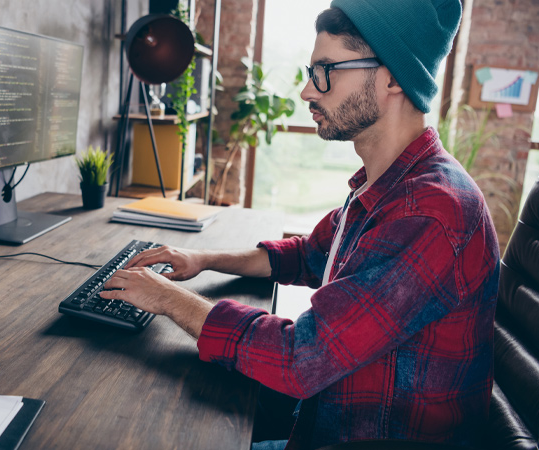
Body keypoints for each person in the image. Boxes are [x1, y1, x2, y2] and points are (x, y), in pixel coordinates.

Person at [101, 0, 500, 448]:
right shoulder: (387, 185)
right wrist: (201, 259)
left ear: (392, 76)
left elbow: (300, 358)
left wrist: (170, 298)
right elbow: (310, 254)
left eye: (325, 71)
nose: (308, 92)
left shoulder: (429, 211)